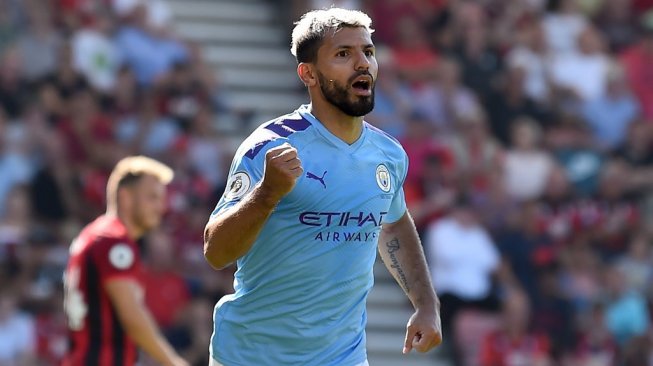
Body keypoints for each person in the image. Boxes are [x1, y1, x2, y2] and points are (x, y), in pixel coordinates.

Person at [203, 8, 442, 366]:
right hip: (252, 356)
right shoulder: (267, 146)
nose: (363, 63)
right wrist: (267, 194)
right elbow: (216, 252)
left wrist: (426, 304)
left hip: (341, 357)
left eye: (368, 52)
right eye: (343, 54)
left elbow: (393, 223)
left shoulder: (388, 154)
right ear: (308, 73)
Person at [62, 156, 188, 366]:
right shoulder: (114, 242)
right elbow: (131, 315)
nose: (161, 208)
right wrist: (173, 362)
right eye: (152, 198)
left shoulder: (93, 234)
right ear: (126, 197)